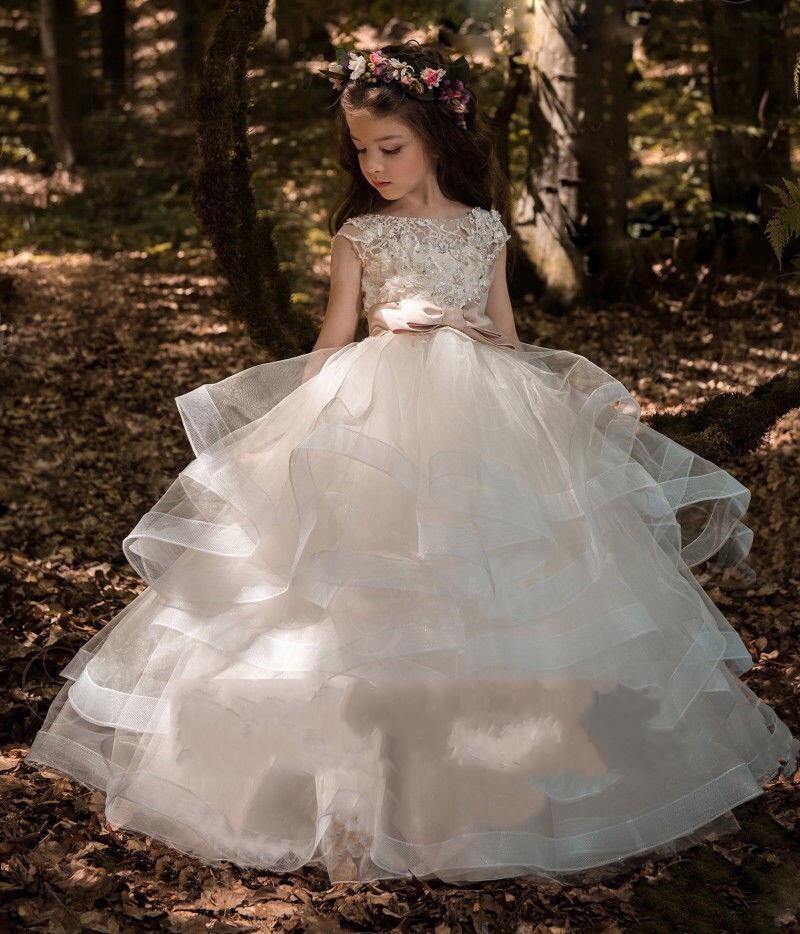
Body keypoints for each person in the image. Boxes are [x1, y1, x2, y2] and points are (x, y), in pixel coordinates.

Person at [25, 40, 799, 887]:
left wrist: (467, 330)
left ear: (434, 134)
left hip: (486, 413)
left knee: (496, 582)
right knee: (358, 594)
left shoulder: (485, 230)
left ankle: (497, 786)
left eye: (389, 147)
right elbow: (331, 340)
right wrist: (301, 424)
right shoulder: (361, 233)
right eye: (361, 150)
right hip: (376, 414)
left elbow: (507, 335)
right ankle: (352, 794)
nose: (374, 164)